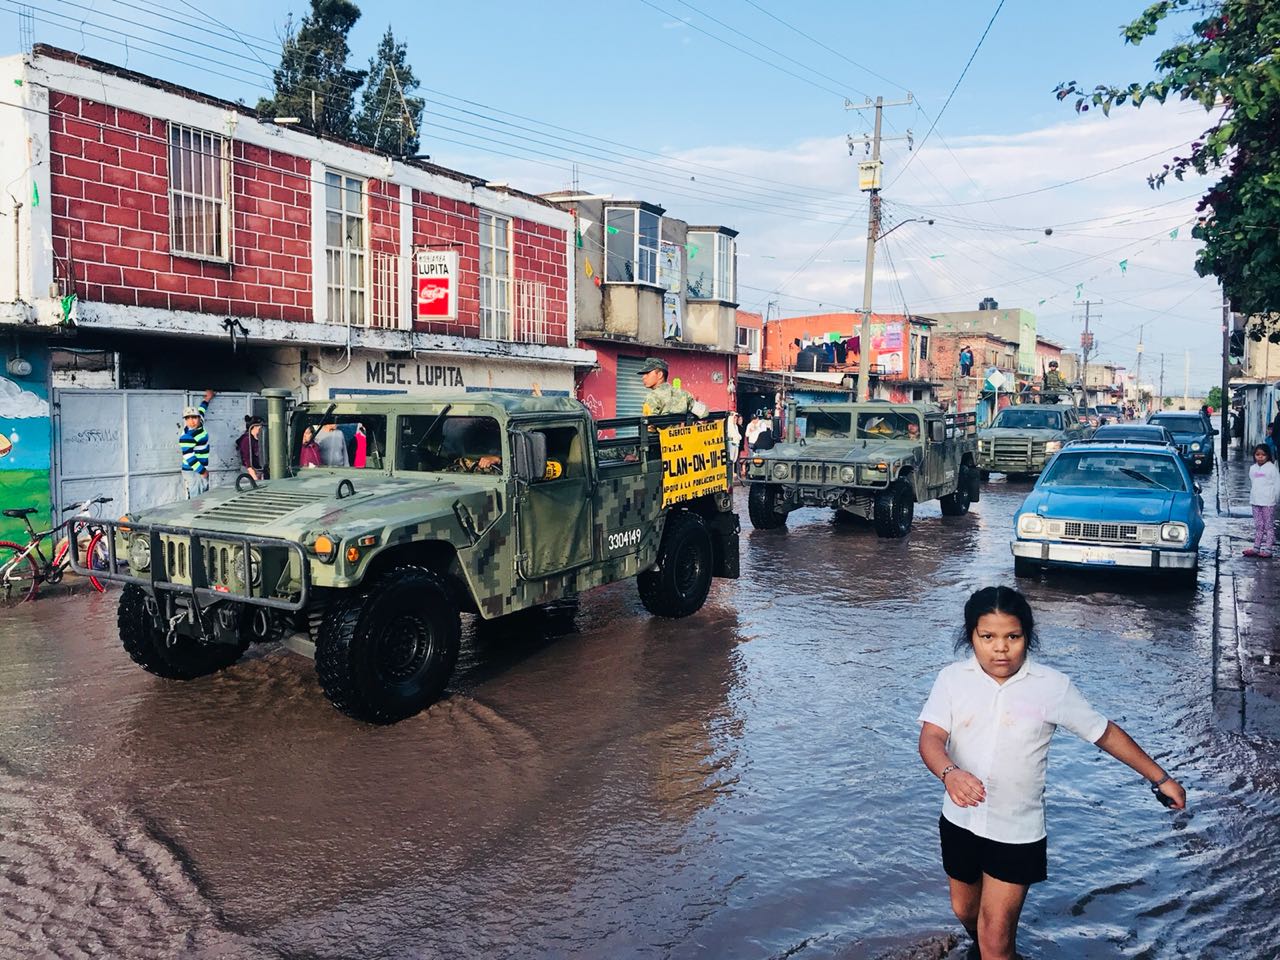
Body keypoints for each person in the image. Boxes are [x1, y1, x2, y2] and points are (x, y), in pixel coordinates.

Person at [918, 587, 1186, 960]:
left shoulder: (1051, 687)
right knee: (967, 913)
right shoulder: (952, 679)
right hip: (959, 821)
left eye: (1013, 636)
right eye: (988, 637)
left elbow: (1104, 733)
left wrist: (1160, 778)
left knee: (995, 940)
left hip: (1016, 831)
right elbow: (931, 738)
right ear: (971, 636)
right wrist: (950, 774)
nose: (1000, 648)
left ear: (1027, 635)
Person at [1244, 444, 1280, 558]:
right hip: (1255, 501)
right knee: (1259, 525)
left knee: (1268, 525)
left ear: (1268, 456)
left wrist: (1275, 498)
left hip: (1268, 502)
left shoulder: (1272, 469)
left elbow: (1277, 485)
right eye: (1257, 454)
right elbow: (1253, 481)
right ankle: (1256, 547)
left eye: (1263, 455)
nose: (1260, 457)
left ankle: (1268, 549)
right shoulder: (1253, 468)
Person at [179, 389, 215, 499]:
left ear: (199, 418)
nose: (191, 421)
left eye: (194, 417)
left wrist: (207, 398)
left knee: (203, 495)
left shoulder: (200, 425)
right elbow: (189, 457)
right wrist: (202, 471)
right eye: (188, 418)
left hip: (199, 469)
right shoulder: (187, 436)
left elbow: (202, 410)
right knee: (197, 499)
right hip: (193, 471)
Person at [236, 416, 268, 480]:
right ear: (255, 427)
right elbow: (247, 462)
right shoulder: (246, 440)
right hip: (251, 472)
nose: (262, 428)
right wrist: (255, 479)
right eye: (260, 426)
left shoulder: (259, 439)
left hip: (259, 471)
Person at [727, 413, 743, 483]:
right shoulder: (729, 426)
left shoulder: (735, 426)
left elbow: (738, 435)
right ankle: (730, 472)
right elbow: (732, 435)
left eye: (736, 418)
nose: (735, 419)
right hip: (731, 443)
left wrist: (738, 437)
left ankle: (733, 472)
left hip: (736, 443)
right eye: (734, 418)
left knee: (734, 458)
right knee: (731, 458)